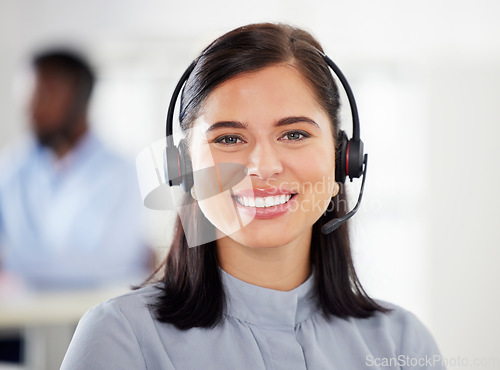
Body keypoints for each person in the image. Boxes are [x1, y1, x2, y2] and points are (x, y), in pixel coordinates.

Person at [61, 23, 444, 369]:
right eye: (229, 138)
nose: (263, 166)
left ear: (343, 157)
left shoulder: (402, 344)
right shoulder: (120, 338)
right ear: (183, 167)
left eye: (294, 134)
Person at [0, 49, 150, 289]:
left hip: (89, 312)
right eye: (26, 98)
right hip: (18, 316)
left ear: (79, 98)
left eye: (43, 96)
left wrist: (15, 264)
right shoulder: (12, 166)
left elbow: (111, 262)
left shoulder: (121, 172)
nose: (31, 109)